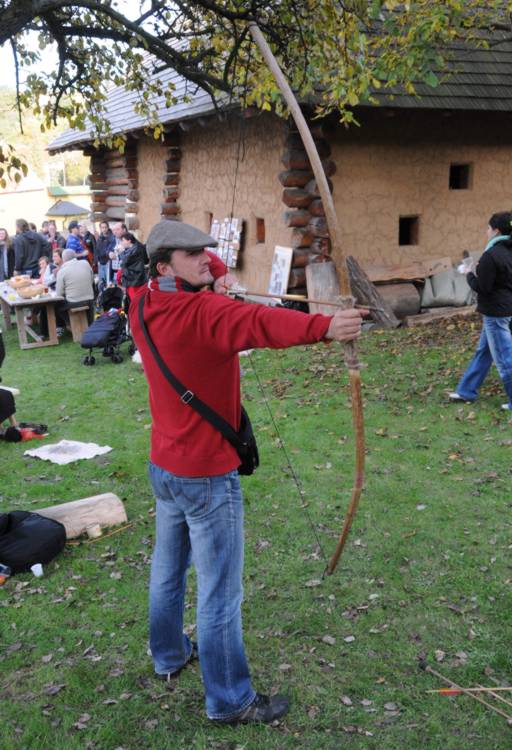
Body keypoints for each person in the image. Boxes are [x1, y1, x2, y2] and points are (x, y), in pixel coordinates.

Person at [129, 220, 365, 725]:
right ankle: (230, 700)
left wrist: (208, 274)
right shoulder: (207, 312)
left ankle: (169, 654)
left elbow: (209, 282)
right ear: (165, 265)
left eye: (205, 252)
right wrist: (326, 327)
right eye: (190, 255)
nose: (206, 260)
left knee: (167, 572)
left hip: (165, 466)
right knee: (219, 594)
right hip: (207, 476)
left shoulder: (142, 300)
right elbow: (263, 325)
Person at [449, 211, 512, 411]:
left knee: (504, 358)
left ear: (496, 230)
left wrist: (469, 274)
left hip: (496, 312)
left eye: (488, 228)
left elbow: (482, 287)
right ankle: (466, 391)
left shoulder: (491, 254)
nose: (486, 231)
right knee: (484, 351)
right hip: (509, 306)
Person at [55, 248, 95, 330]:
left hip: (74, 302)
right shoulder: (85, 263)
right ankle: (84, 324)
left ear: (63, 259)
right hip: (90, 300)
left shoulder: (62, 271)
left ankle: (69, 325)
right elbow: (92, 280)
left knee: (56, 305)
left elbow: (59, 293)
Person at [118, 231, 148, 302]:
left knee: (135, 301)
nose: (121, 243)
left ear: (129, 241)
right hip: (133, 279)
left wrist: (121, 252)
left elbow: (125, 262)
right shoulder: (134, 247)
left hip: (134, 280)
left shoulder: (136, 249)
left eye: (123, 240)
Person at [95, 221, 116, 286]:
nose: (104, 229)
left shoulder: (112, 237)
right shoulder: (100, 238)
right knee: (101, 283)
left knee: (109, 283)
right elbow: (97, 249)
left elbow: (112, 250)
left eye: (105, 227)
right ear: (100, 228)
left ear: (108, 227)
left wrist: (109, 260)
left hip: (108, 263)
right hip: (101, 264)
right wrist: (97, 260)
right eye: (102, 227)